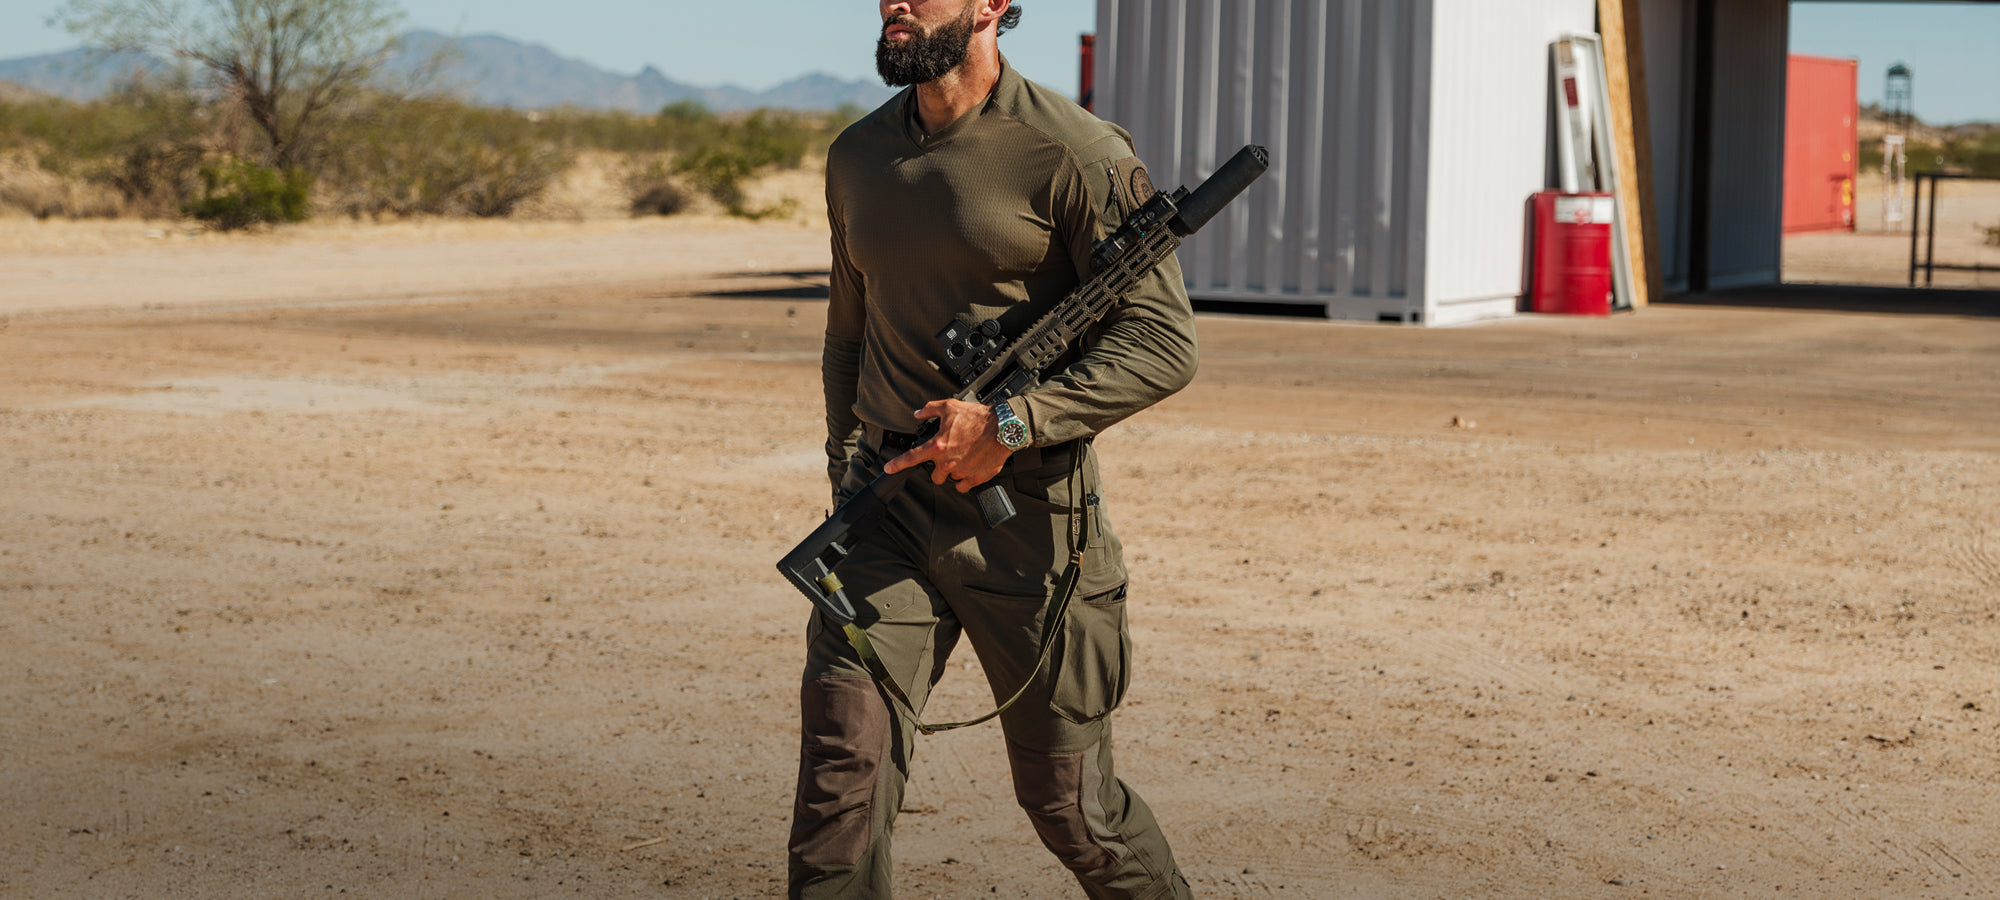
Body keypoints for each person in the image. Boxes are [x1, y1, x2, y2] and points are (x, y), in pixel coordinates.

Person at [789, 1, 1196, 896]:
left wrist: (1012, 424)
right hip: (885, 514)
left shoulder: (1076, 152)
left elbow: (1164, 343)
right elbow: (849, 333)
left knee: (1071, 807)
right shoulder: (858, 156)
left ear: (991, 4)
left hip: (1027, 520)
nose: (895, 2)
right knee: (841, 778)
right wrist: (846, 469)